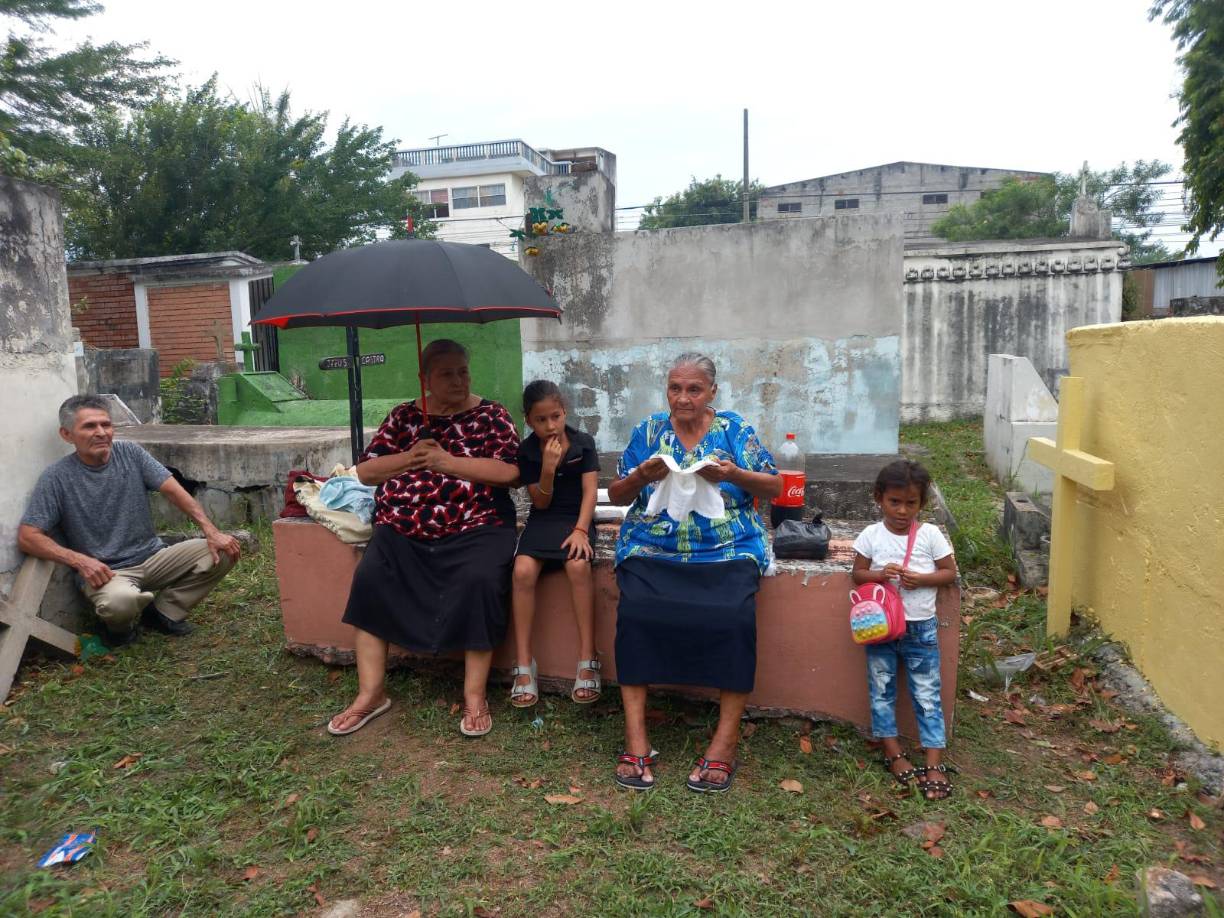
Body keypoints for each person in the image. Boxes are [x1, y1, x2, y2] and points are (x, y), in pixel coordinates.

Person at [327, 339, 520, 739]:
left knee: (480, 581)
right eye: (446, 373)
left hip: (476, 526)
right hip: (402, 530)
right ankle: (371, 694)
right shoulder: (403, 417)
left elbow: (511, 472)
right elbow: (366, 472)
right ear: (426, 378)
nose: (458, 380)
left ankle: (474, 696)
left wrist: (448, 462)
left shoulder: (491, 415)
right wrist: (412, 457)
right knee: (370, 581)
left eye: (462, 371)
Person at [607, 354, 781, 793]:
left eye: (694, 390)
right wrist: (642, 473)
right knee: (637, 613)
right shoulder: (649, 432)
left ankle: (724, 742)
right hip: (653, 545)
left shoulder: (733, 430)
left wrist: (733, 473)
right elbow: (617, 491)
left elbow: (776, 485)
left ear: (712, 394)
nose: (683, 398)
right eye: (675, 388)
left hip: (727, 548)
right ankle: (635, 738)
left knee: (733, 618)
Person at [17, 395, 241, 646]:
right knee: (119, 603)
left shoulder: (130, 453)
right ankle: (120, 630)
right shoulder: (56, 478)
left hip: (153, 557)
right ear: (67, 434)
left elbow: (172, 490)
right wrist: (79, 561)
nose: (101, 433)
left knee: (224, 549)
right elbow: (28, 536)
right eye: (90, 426)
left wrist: (210, 530)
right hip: (107, 573)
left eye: (106, 424)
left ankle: (163, 613)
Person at [851, 459, 958, 800]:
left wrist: (922, 579)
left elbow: (948, 573)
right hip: (879, 629)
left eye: (911, 503)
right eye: (894, 502)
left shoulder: (929, 535)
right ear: (879, 498)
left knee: (927, 694)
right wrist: (881, 574)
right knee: (881, 690)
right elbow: (858, 573)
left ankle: (934, 762)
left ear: (921, 504)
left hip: (921, 629)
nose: (902, 510)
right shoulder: (871, 535)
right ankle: (893, 750)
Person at [508, 380, 601, 708]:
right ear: (529, 420)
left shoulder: (583, 443)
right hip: (544, 519)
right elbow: (541, 503)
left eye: (556, 417)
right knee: (522, 571)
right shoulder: (527, 450)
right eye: (541, 420)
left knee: (577, 565)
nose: (550, 426)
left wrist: (580, 530)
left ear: (564, 412)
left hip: (578, 518)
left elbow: (590, 492)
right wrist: (546, 468)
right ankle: (523, 664)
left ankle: (587, 658)